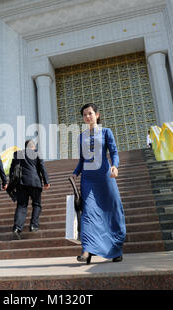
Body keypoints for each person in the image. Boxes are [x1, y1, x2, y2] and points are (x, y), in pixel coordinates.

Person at [71, 103, 126, 264]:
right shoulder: (81, 136)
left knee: (113, 210)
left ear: (97, 114)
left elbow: (114, 152)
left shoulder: (106, 132)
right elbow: (82, 160)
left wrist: (115, 166)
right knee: (88, 213)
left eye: (90, 113)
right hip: (88, 179)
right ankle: (87, 251)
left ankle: (115, 249)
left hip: (105, 176)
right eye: (84, 115)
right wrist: (75, 173)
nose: (87, 117)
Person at [10, 140, 50, 240]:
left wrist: (12, 183)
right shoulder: (36, 153)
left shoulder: (18, 154)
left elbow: (12, 169)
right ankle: (33, 226)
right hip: (35, 183)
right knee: (36, 205)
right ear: (33, 147)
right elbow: (42, 168)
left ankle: (17, 228)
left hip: (21, 183)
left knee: (22, 206)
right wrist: (46, 181)